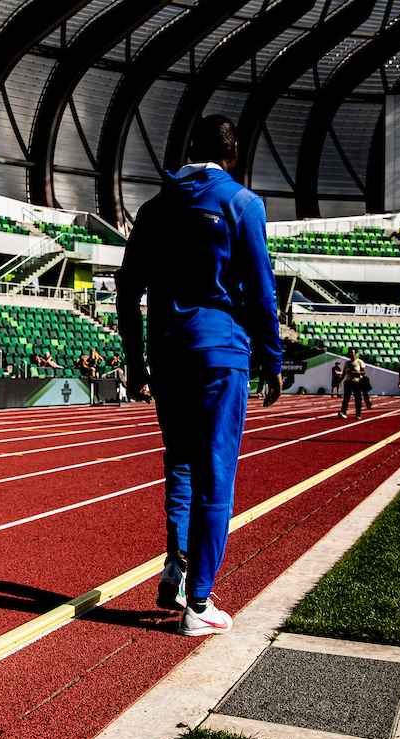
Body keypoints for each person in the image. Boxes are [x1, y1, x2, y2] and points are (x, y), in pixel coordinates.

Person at [117, 114, 282, 637]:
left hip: (166, 353)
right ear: (232, 157)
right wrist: (272, 359)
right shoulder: (242, 203)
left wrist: (136, 362)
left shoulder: (154, 207)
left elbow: (126, 291)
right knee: (216, 475)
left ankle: (174, 567)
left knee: (181, 466)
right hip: (219, 354)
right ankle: (199, 602)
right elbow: (260, 290)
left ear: (190, 148)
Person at [338, 348, 367, 419]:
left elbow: (363, 372)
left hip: (357, 382)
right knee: (346, 398)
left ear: (355, 353)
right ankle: (343, 412)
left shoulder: (359, 362)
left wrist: (355, 373)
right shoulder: (347, 363)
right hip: (348, 382)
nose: (351, 354)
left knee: (358, 398)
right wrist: (340, 381)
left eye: (352, 352)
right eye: (350, 352)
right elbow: (344, 373)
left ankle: (358, 414)